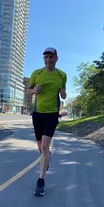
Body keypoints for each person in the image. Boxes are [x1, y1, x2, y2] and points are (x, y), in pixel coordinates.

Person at [28, 47, 67, 196]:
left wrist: (64, 94)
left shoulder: (62, 75)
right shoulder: (36, 73)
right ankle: (47, 157)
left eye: (51, 57)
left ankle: (41, 181)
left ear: (56, 58)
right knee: (41, 149)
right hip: (37, 114)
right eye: (46, 57)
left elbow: (63, 94)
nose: (48, 60)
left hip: (52, 114)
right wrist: (34, 91)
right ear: (43, 59)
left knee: (44, 146)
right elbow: (28, 90)